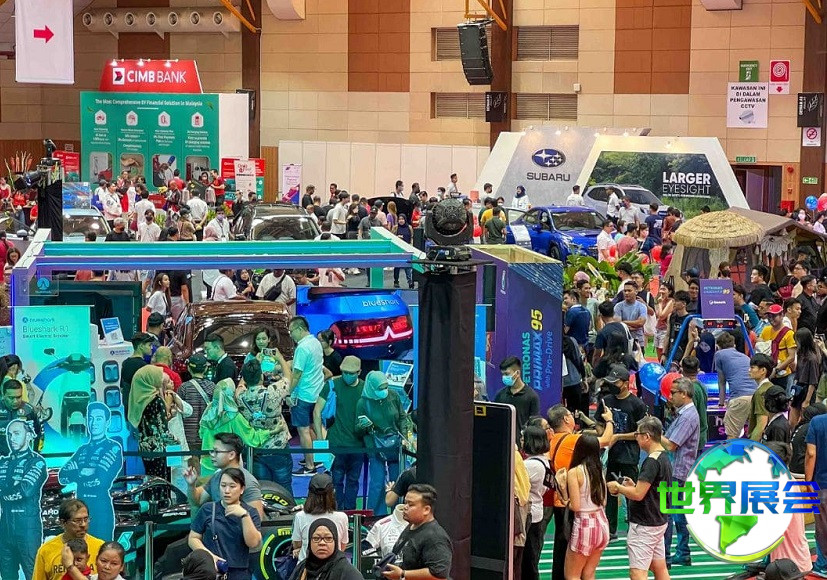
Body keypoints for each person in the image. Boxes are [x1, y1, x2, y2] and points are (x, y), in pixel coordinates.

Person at [547, 405, 614, 580]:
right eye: (570, 414)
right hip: (596, 518)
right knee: (586, 572)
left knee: (563, 555)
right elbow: (607, 439)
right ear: (566, 419)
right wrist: (609, 420)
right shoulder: (574, 442)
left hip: (567, 506)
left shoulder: (552, 440)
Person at [607, 417, 672, 580]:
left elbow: (638, 494)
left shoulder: (651, 462)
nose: (635, 437)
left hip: (645, 524)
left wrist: (618, 488)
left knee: (637, 572)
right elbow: (649, 490)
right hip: (658, 520)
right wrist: (634, 485)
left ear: (647, 436)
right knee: (659, 568)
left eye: (637, 434)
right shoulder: (664, 457)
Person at [594, 364, 648, 541]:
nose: (612, 385)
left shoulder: (637, 404)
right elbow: (599, 424)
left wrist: (618, 436)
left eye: (615, 382)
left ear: (625, 383)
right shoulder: (606, 401)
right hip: (610, 455)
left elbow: (642, 432)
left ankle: (635, 526)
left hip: (629, 455)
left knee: (632, 491)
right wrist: (603, 434)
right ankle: (610, 529)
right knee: (610, 491)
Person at [58, 403, 123, 542]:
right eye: (90, 418)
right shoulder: (82, 449)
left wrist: (76, 473)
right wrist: (84, 473)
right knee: (79, 551)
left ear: (107, 422)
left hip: (100, 509)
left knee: (101, 551)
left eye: (99, 419)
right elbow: (62, 476)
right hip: (80, 509)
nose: (94, 423)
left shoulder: (113, 447)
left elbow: (100, 480)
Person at [188, 468, 262, 580]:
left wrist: (244, 516)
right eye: (223, 486)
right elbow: (193, 538)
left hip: (239, 573)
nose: (227, 491)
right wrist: (209, 556)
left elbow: (253, 543)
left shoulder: (250, 512)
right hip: (211, 570)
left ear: (242, 489)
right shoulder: (208, 509)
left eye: (232, 486)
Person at [356, 370, 413, 517]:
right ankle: (374, 516)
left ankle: (398, 514)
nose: (384, 390)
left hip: (396, 445)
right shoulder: (363, 403)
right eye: (380, 388)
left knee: (398, 482)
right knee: (377, 483)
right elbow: (358, 429)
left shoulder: (393, 396)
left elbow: (402, 417)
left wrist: (405, 436)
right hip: (375, 447)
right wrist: (364, 427)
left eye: (385, 387)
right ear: (372, 387)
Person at [314, 355, 365, 510]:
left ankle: (351, 514)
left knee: (353, 482)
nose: (347, 375)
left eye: (351, 373)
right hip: (336, 444)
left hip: (358, 445)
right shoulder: (331, 385)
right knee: (336, 482)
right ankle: (337, 513)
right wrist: (320, 440)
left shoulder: (365, 388)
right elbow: (316, 412)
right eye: (345, 372)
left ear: (359, 372)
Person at [235, 359, 292, 493]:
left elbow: (240, 385)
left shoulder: (240, 397)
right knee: (284, 489)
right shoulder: (273, 391)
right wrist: (279, 357)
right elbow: (288, 377)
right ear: (261, 376)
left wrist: (250, 369)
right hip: (278, 448)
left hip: (256, 449)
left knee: (261, 489)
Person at [0, 419, 47, 580]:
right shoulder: (3, 462)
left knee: (33, 574)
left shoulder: (37, 462)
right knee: (7, 575)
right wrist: (11, 488)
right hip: (5, 528)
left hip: (27, 529)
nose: (11, 438)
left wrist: (4, 491)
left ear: (28, 436)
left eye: (16, 433)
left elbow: (25, 490)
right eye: (9, 434)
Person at [660, 378, 700, 567]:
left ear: (684, 394)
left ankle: (666, 556)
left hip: (678, 471)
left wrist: (654, 433)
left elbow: (671, 445)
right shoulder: (685, 414)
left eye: (674, 392)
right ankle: (682, 552)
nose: (670, 396)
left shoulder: (687, 417)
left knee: (669, 514)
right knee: (679, 514)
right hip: (681, 470)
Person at [381, 484, 453, 580]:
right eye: (405, 502)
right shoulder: (411, 526)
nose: (405, 507)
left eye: (410, 504)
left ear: (426, 509)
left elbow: (439, 575)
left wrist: (403, 574)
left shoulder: (436, 537)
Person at [565, 434, 609, 580]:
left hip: (584, 525)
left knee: (572, 575)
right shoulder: (599, 470)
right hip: (602, 523)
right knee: (589, 573)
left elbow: (576, 506)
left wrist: (565, 500)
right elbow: (604, 501)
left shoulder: (575, 472)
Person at [288, 316, 327, 475]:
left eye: (291, 331)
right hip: (317, 393)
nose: (291, 335)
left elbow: (296, 375)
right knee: (316, 427)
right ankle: (321, 458)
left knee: (303, 431)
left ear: (299, 329)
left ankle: (309, 466)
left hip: (303, 395)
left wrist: (288, 392)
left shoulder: (302, 348)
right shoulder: (316, 343)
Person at [33, 499, 105, 580]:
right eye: (77, 521)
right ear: (63, 522)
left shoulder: (101, 547)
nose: (83, 524)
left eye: (86, 519)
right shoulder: (46, 550)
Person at [128, 365, 175, 481]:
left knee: (150, 479)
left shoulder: (138, 401)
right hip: (159, 450)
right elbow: (163, 431)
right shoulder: (156, 401)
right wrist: (176, 442)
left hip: (144, 449)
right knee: (161, 481)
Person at [291, 473, 349, 561]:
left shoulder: (300, 516)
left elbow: (297, 544)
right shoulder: (342, 517)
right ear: (332, 493)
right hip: (334, 566)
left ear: (309, 493)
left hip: (306, 565)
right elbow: (342, 545)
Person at [521, 425, 550, 580]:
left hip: (530, 515)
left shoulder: (531, 465)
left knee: (528, 561)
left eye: (524, 438)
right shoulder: (543, 461)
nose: (521, 440)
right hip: (536, 511)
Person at [290, 518, 362, 580]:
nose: (322, 543)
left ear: (335, 542)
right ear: (310, 542)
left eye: (328, 538)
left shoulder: (348, 573)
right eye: (316, 538)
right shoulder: (302, 568)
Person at [493, 356, 540, 438]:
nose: (504, 377)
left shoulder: (532, 396)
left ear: (517, 373)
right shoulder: (500, 395)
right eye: (502, 374)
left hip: (522, 441)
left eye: (507, 374)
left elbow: (534, 424)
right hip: (503, 439)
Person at [178, 353, 216, 452]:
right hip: (206, 435)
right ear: (206, 369)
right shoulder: (212, 387)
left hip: (188, 436)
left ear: (189, 368)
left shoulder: (184, 387)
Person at [0, 378, 41, 456]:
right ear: (3, 395)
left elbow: (38, 434)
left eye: (18, 397)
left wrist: (36, 453)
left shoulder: (29, 410)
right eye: (11, 398)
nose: (15, 401)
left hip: (22, 458)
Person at [761, 304, 797, 390]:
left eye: (774, 316)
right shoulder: (766, 330)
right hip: (766, 372)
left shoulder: (789, 333)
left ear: (781, 315)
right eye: (769, 316)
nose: (771, 319)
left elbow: (791, 357)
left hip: (782, 374)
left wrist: (776, 369)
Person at [679, 356, 708, 453]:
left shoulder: (690, 390)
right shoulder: (702, 386)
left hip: (692, 437)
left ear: (682, 370)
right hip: (700, 434)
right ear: (698, 370)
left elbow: (690, 416)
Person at [120, 332, 153, 416]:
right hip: (140, 410)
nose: (151, 348)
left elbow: (122, 388)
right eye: (149, 345)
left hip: (128, 408)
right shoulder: (143, 366)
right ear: (141, 346)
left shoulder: (125, 363)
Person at [791, 403, 827, 475]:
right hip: (802, 466)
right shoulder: (812, 427)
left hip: (794, 464)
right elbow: (811, 454)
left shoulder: (801, 426)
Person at [746, 353, 776, 442]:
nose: (749, 370)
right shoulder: (771, 387)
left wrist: (751, 444)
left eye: (752, 367)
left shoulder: (761, 392)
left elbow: (761, 424)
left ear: (763, 370)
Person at [614, 281, 647, 351]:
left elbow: (641, 322)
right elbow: (617, 324)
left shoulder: (642, 306)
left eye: (629, 291)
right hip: (622, 340)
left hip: (638, 340)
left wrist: (623, 322)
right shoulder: (618, 306)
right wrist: (634, 325)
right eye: (625, 291)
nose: (626, 293)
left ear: (636, 292)